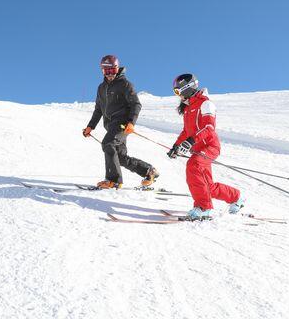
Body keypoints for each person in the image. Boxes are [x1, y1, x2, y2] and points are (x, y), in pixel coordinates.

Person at [167, 73, 245, 220]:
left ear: (187, 88)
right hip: (198, 148)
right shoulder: (188, 108)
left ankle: (203, 208)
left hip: (210, 145)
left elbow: (209, 128)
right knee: (207, 186)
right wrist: (176, 146)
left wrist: (190, 141)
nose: (177, 95)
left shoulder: (205, 104)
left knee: (193, 165)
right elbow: (186, 131)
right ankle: (236, 197)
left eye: (178, 91)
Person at [83, 55, 159, 189]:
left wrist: (131, 122)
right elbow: (98, 110)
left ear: (117, 69)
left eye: (112, 70)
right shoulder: (101, 88)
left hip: (122, 123)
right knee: (120, 157)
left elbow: (136, 104)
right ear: (102, 71)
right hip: (110, 125)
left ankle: (113, 180)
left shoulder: (125, 84)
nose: (110, 74)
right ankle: (149, 171)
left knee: (108, 143)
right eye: (106, 71)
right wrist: (90, 126)